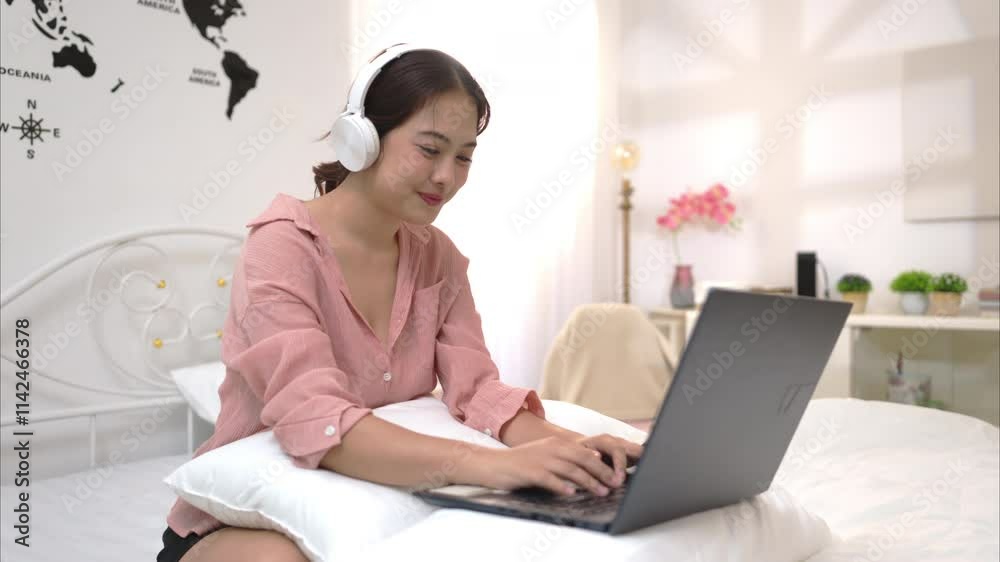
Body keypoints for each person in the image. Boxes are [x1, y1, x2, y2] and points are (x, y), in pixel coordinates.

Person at [157, 44, 642, 562]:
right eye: (430, 149)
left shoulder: (440, 258)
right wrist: (496, 466)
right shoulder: (281, 249)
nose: (447, 177)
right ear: (362, 139)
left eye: (463, 157)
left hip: (385, 500)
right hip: (240, 526)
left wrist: (566, 447)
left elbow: (477, 392)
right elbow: (316, 420)